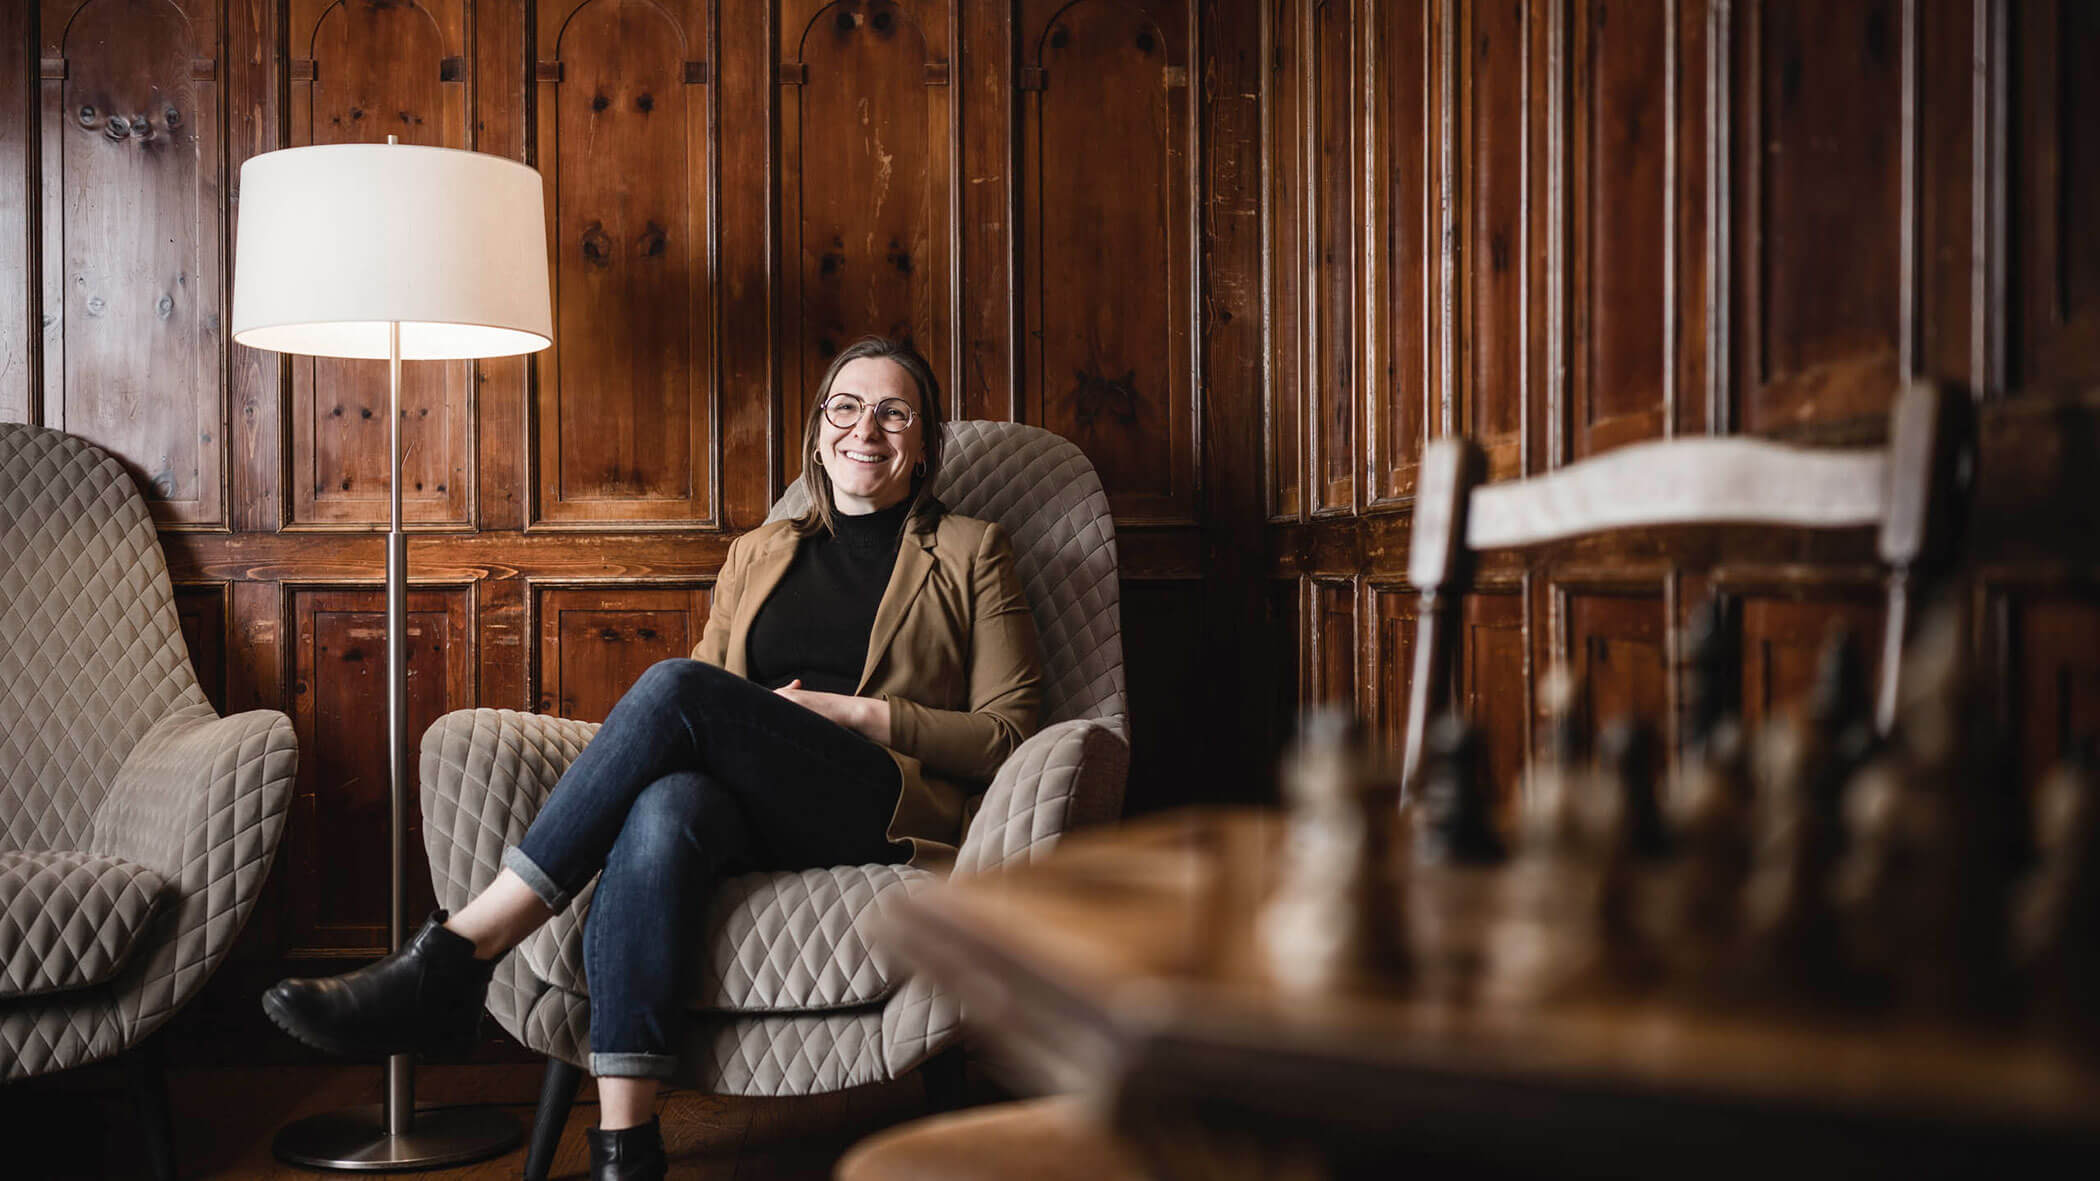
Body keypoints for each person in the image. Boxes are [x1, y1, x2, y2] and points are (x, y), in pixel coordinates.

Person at [262, 336, 1043, 1181]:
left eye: (896, 412)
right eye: (846, 408)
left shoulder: (971, 549)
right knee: (665, 805)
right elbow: (703, 710)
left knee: (676, 687)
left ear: (925, 442)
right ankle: (625, 1150)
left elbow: (1010, 730)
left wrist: (851, 712)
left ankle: (457, 954)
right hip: (756, 805)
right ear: (819, 431)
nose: (868, 429)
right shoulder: (761, 551)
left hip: (876, 801)